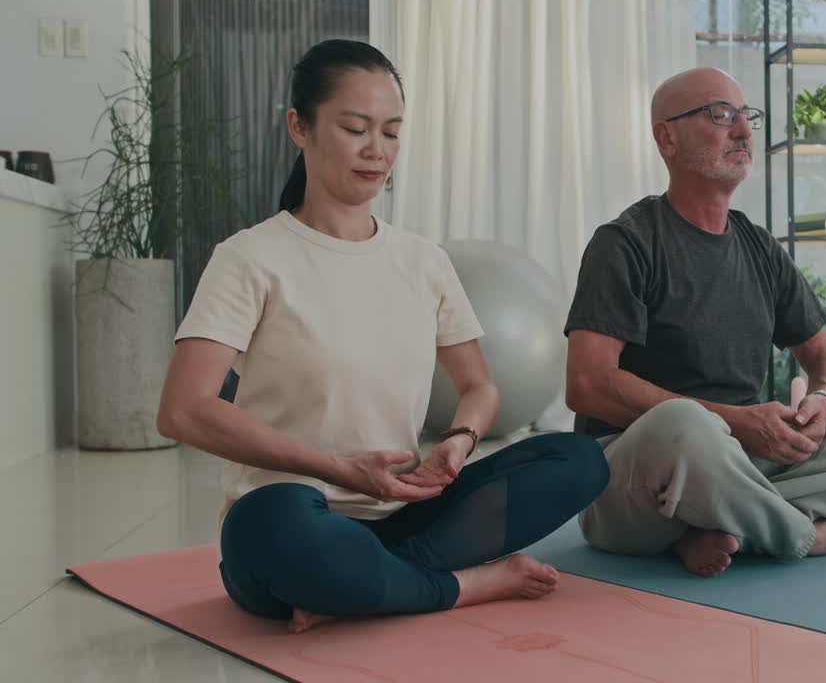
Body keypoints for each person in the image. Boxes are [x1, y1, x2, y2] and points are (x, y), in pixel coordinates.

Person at [156, 39, 608, 633]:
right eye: (355, 128)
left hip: (406, 513)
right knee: (274, 529)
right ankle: (460, 586)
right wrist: (340, 470)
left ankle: (365, 584)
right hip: (293, 513)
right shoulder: (250, 258)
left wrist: (460, 440)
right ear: (300, 126)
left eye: (391, 132)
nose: (377, 151)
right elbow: (183, 411)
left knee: (578, 458)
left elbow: (479, 387)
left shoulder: (424, 261)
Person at [563, 67, 826, 578]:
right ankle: (809, 535)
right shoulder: (624, 243)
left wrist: (822, 403)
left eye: (747, 116)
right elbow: (587, 386)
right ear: (666, 137)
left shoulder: (758, 246)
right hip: (638, 477)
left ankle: (716, 527)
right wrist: (737, 422)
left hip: (740, 461)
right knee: (686, 426)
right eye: (720, 115)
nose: (743, 131)